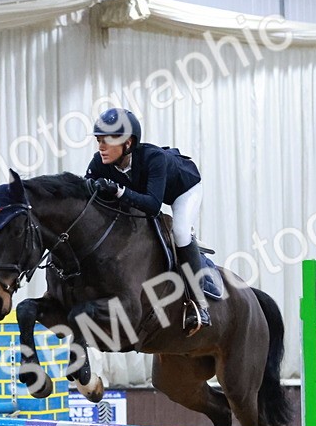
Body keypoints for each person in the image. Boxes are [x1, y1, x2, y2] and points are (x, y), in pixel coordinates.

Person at [84, 108, 220, 332]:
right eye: (99, 141)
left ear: (128, 143)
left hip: (182, 189)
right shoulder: (99, 162)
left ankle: (199, 304)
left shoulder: (153, 157)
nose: (101, 147)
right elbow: (85, 192)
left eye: (107, 141)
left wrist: (118, 191)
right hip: (145, 194)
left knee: (180, 232)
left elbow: (152, 205)